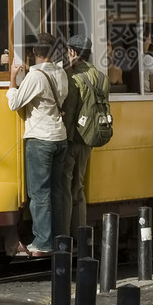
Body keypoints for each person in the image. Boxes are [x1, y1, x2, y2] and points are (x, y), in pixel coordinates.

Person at [6, 31, 68, 256]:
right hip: (60, 137)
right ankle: (59, 239)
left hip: (41, 139)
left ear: (34, 52)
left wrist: (12, 78)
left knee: (40, 194)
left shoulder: (36, 76)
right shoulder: (61, 73)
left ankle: (42, 243)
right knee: (57, 193)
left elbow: (14, 103)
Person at [61, 35, 110, 242]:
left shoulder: (74, 79)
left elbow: (69, 113)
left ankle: (64, 236)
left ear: (72, 52)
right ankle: (81, 234)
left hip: (73, 139)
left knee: (65, 189)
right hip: (90, 138)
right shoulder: (101, 77)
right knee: (79, 188)